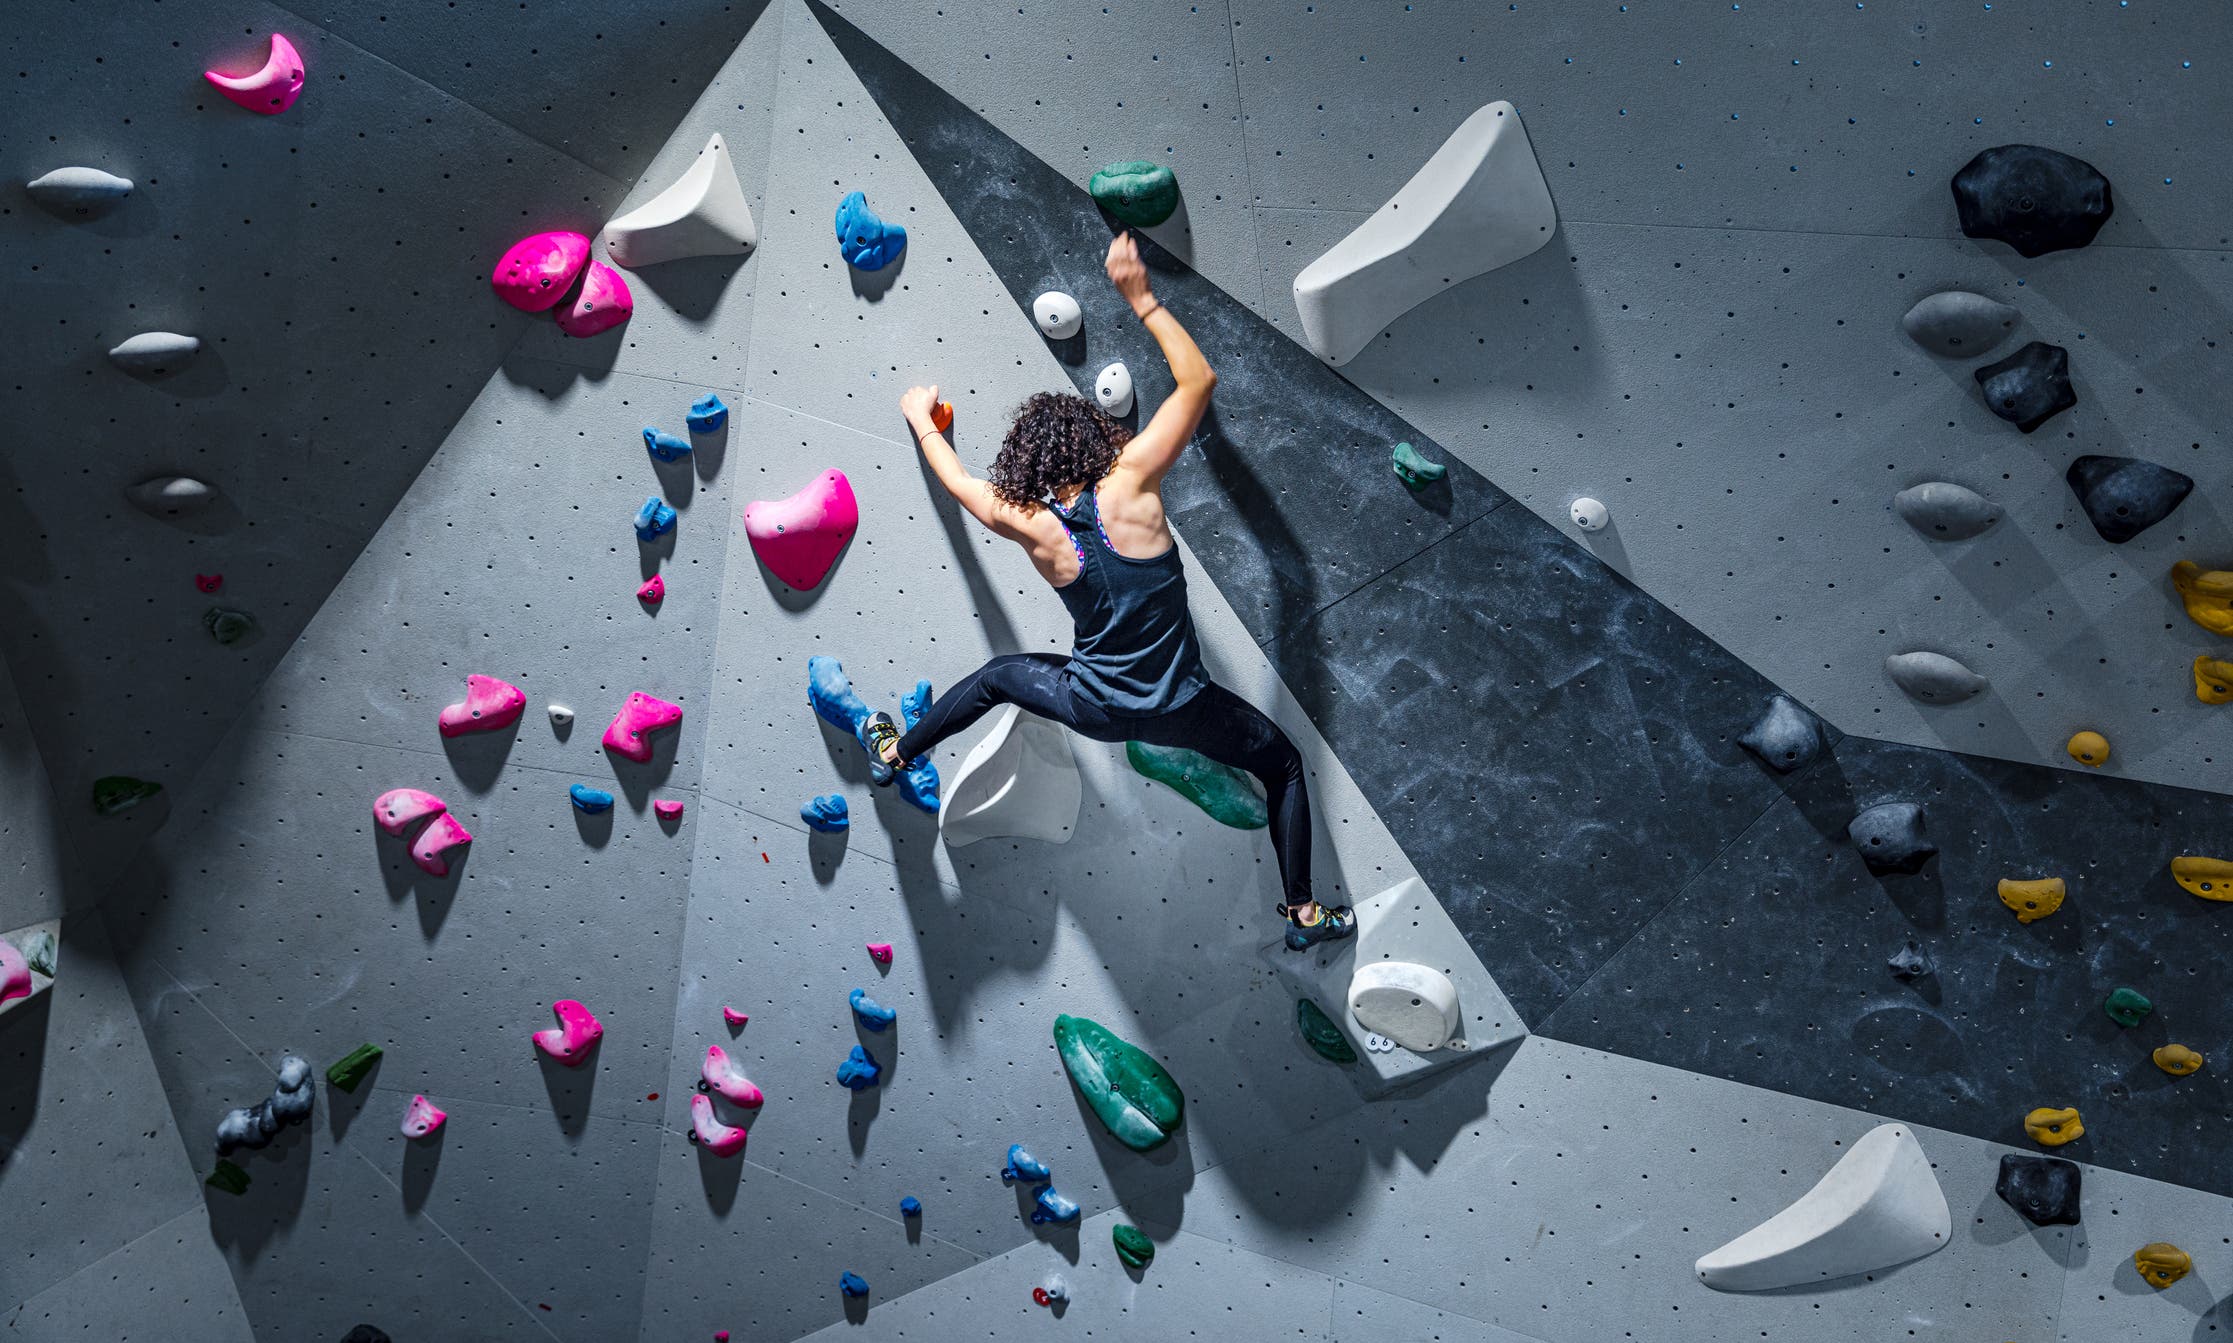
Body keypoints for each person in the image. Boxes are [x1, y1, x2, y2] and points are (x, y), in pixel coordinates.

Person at [853, 232, 1352, 951]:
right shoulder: (1132, 482)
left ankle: (896, 755)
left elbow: (963, 487)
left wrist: (921, 421)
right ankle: (1302, 913)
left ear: (1026, 461)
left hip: (1093, 705)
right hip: (1182, 708)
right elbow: (1197, 383)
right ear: (1092, 437)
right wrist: (1140, 298)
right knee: (1279, 764)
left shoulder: (1024, 519)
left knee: (999, 676)